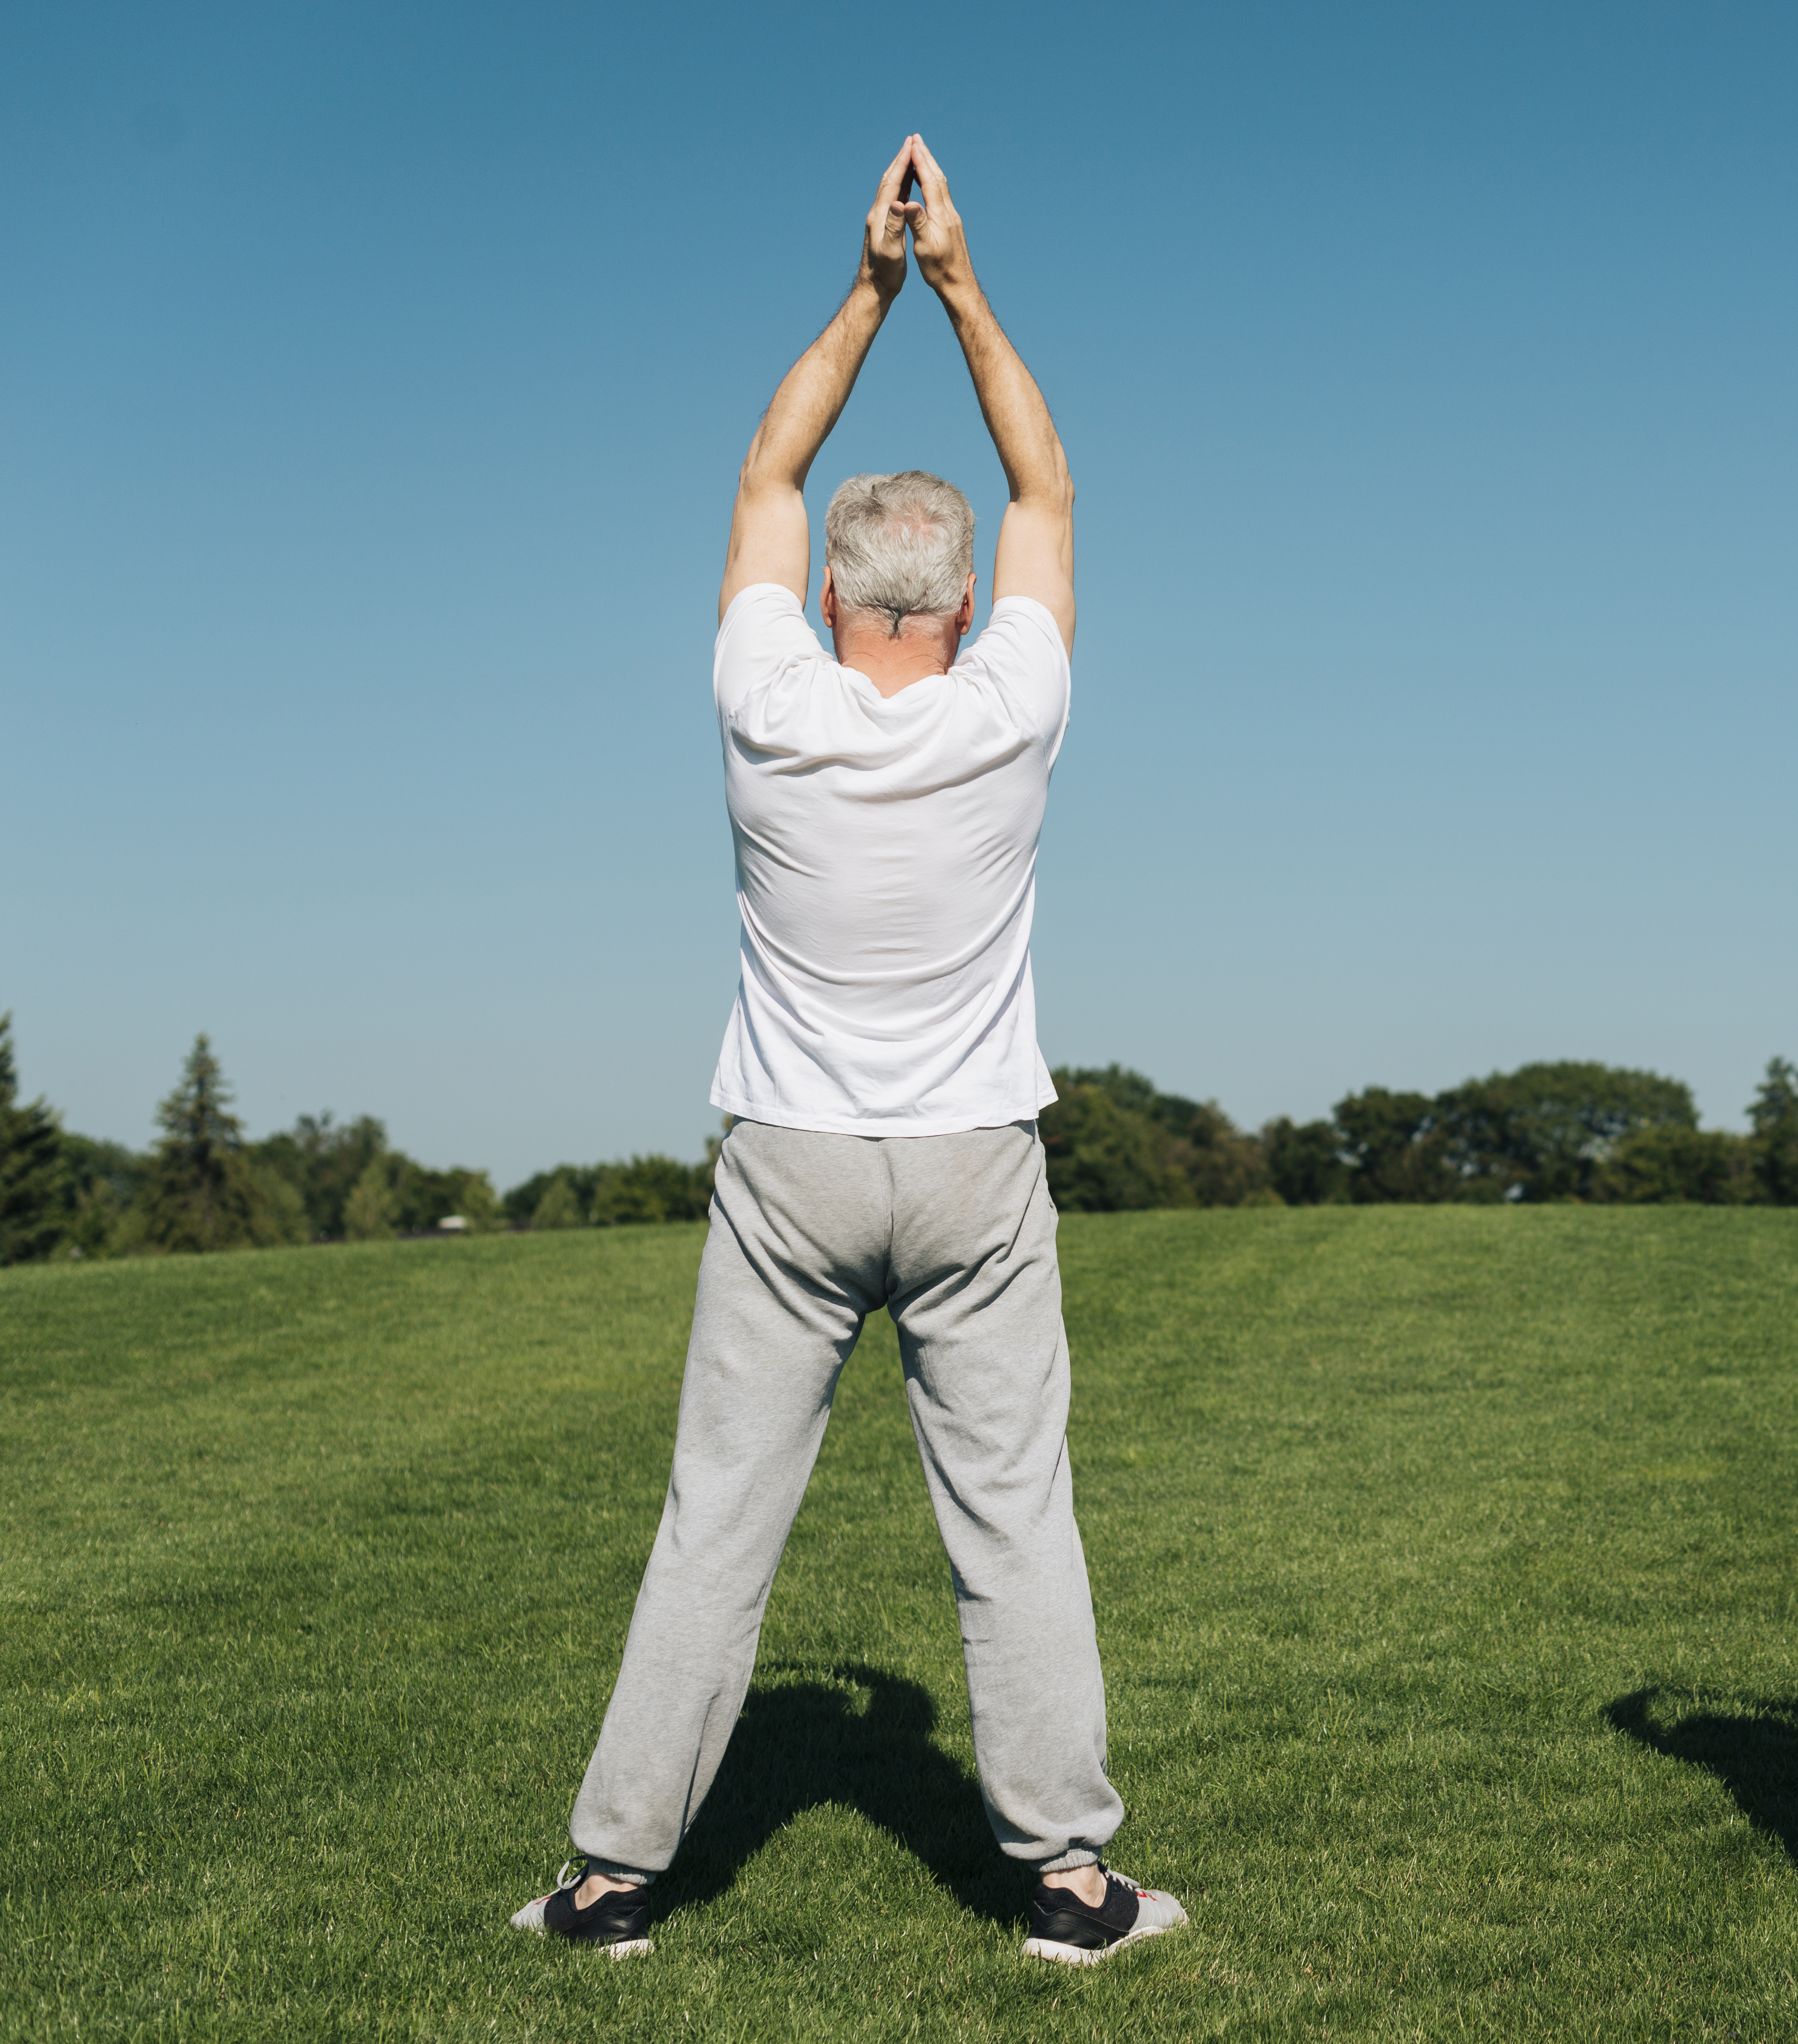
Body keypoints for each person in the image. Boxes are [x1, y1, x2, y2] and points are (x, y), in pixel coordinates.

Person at [512, 136, 1184, 1968]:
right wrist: (961, 281)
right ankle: (1065, 1883)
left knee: (715, 1526)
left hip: (788, 1165)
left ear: (832, 602)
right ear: (960, 608)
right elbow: (1044, 478)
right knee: (1014, 1528)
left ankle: (608, 1883)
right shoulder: (1012, 704)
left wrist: (868, 288)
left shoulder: (764, 699)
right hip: (972, 1161)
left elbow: (766, 468)